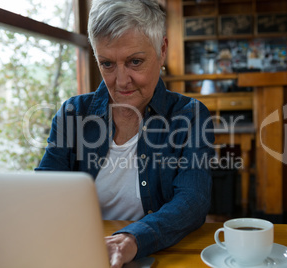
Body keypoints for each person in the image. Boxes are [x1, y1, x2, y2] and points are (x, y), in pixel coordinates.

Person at [36, 0, 215, 267]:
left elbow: (193, 200)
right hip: (80, 251)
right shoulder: (73, 113)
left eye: (135, 62)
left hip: (152, 252)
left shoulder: (190, 115)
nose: (121, 81)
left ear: (162, 50)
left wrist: (133, 238)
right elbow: (44, 191)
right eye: (107, 64)